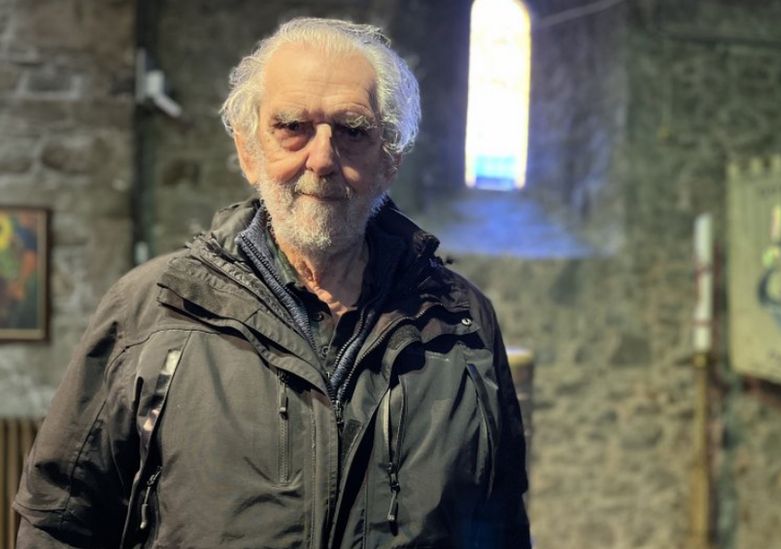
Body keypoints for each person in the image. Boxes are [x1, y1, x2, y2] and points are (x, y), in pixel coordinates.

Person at [15, 17, 531, 548]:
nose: (323, 159)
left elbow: (502, 526)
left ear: (389, 158)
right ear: (248, 151)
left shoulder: (460, 322)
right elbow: (60, 523)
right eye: (292, 127)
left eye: (353, 130)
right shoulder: (150, 313)